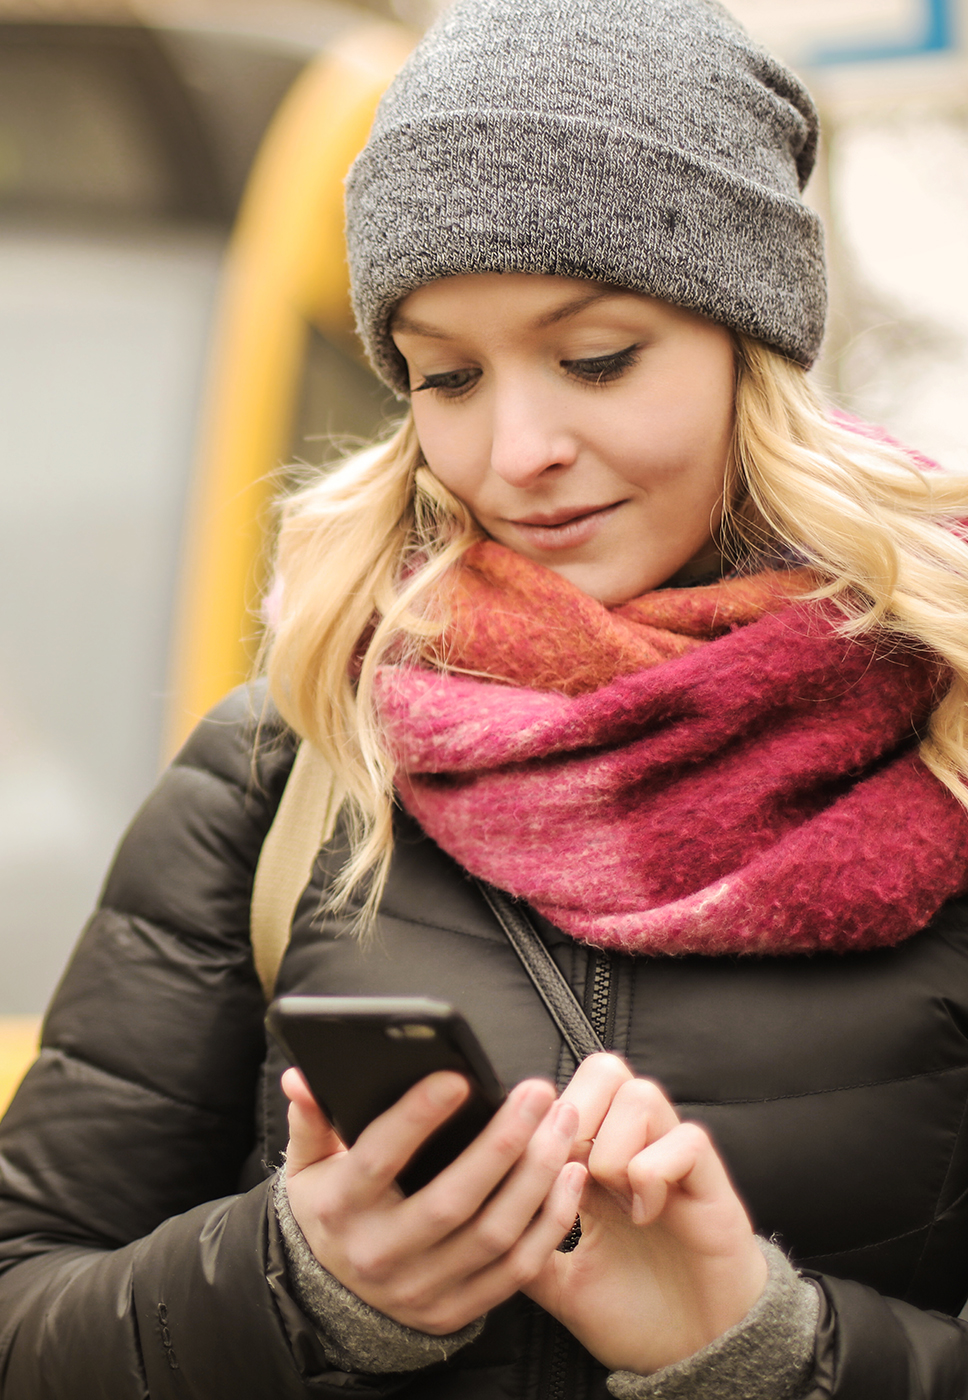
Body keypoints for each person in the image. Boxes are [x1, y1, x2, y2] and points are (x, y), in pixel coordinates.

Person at [2, 0, 968, 1395]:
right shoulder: (290, 764)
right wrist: (295, 1285)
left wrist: (770, 1354)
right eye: (446, 376)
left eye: (593, 359)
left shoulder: (945, 743)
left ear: (751, 344)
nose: (516, 452)